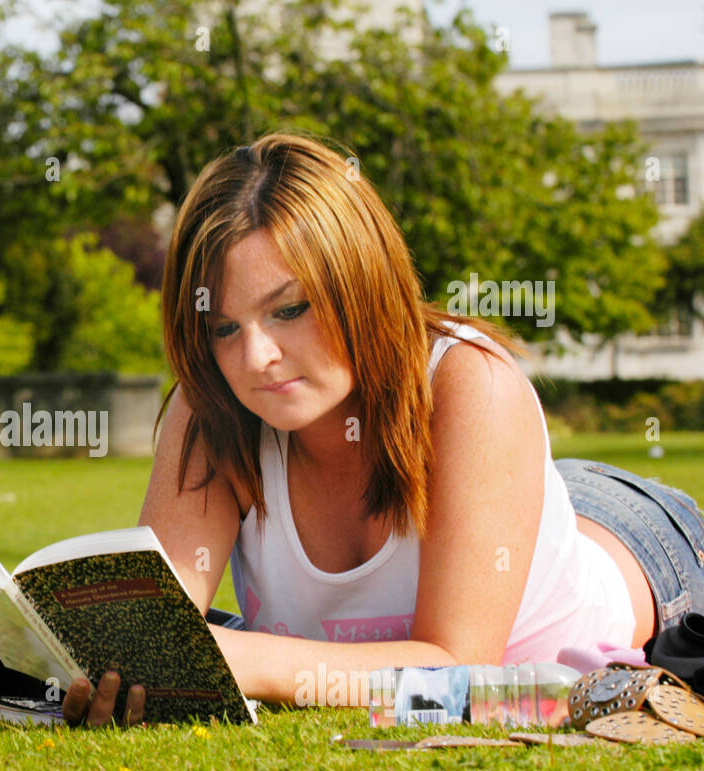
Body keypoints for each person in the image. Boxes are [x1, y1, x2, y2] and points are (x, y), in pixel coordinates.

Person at [64, 131, 704, 725]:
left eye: (289, 309)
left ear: (361, 284)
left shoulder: (470, 386)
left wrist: (244, 661)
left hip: (642, 543)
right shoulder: (212, 408)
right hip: (520, 496)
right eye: (223, 327)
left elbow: (459, 673)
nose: (256, 358)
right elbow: (157, 630)